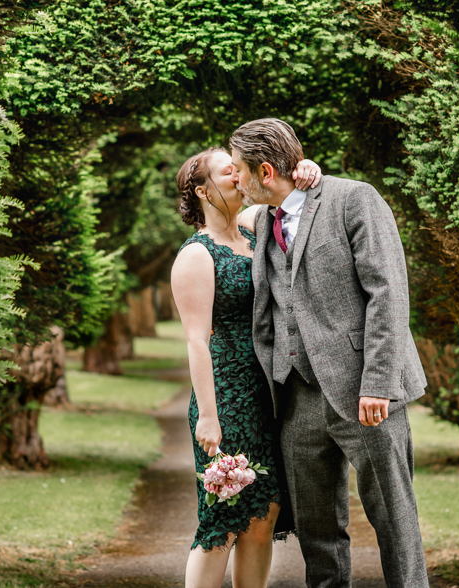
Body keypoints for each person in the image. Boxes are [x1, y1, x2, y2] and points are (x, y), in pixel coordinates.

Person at [229, 118, 429, 588]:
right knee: (317, 529)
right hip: (295, 396)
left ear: (263, 170)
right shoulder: (262, 220)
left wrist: (379, 382)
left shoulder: (353, 199)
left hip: (365, 391)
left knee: (393, 517)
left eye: (238, 170)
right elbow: (219, 213)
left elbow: (389, 293)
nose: (234, 179)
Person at [171, 148, 321, 588]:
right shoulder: (197, 255)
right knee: (223, 517)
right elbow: (197, 340)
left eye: (237, 168)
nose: (238, 176)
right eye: (226, 171)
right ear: (203, 191)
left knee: (264, 512)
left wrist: (307, 170)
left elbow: (290, 195)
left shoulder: (255, 229)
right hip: (226, 396)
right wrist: (210, 416)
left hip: (265, 395)